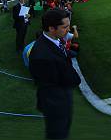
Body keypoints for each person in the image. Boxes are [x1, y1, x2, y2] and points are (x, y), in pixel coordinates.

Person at [29, 9, 81, 139]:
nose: (68, 30)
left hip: (60, 98)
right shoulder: (42, 55)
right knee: (58, 134)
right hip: (55, 103)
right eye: (65, 27)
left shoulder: (53, 40)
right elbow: (68, 79)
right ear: (51, 28)